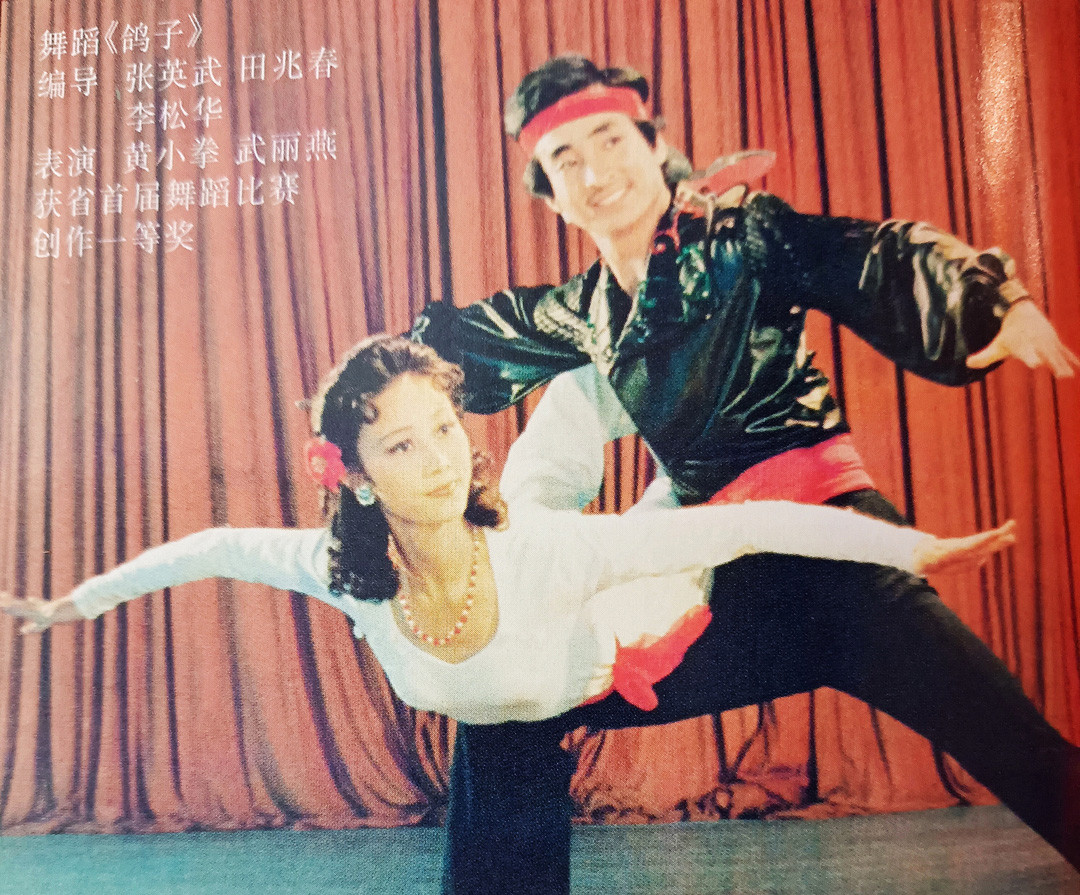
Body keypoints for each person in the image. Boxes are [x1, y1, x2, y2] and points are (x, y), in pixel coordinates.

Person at [0, 336, 1046, 893]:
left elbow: (744, 527)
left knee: (599, 432)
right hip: (511, 670)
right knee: (545, 477)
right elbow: (210, 547)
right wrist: (73, 603)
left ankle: (665, 296)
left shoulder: (554, 552)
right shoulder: (339, 569)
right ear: (353, 474)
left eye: (444, 428)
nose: (437, 457)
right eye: (400, 445)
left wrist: (908, 548)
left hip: (606, 629)